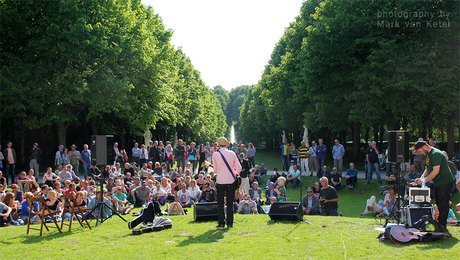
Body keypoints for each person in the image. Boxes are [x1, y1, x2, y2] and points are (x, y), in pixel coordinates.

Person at [414, 141, 455, 231]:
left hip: (445, 182)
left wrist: (424, 180)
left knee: (443, 204)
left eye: (420, 151)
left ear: (424, 147)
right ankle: (440, 223)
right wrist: (421, 178)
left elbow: (435, 171)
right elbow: (428, 169)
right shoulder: (429, 155)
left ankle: (442, 225)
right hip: (438, 183)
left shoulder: (436, 154)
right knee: (438, 203)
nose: (420, 153)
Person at [212, 137, 241, 229]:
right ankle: (230, 223)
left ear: (218, 144)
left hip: (220, 181)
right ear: (227, 144)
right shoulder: (232, 153)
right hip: (231, 180)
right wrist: (235, 173)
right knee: (230, 203)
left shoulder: (215, 155)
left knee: (220, 203)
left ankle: (221, 223)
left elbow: (215, 170)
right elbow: (238, 167)